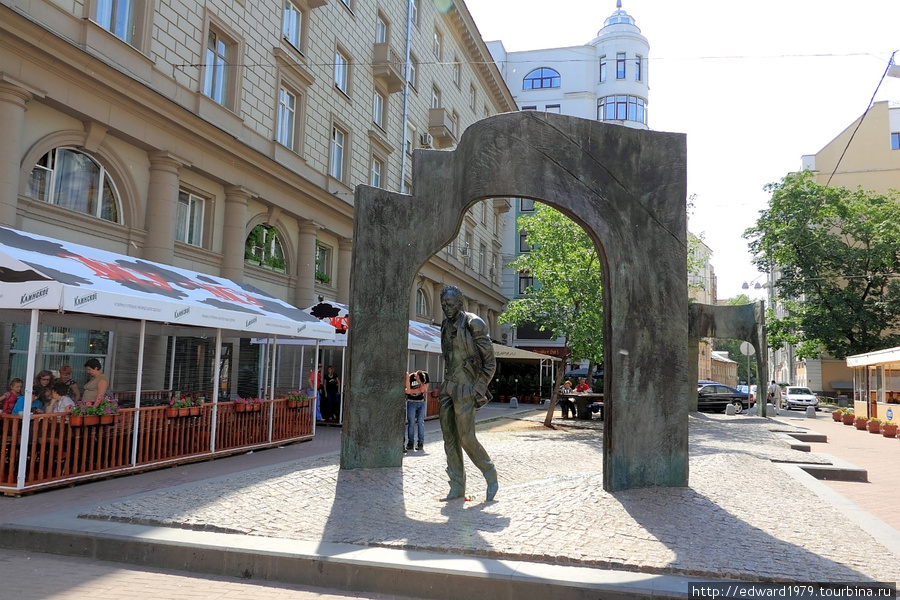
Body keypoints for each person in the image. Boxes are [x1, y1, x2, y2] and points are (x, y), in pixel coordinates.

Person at [438, 285, 498, 502]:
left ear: (460, 303)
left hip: (467, 388)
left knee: (466, 438)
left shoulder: (475, 324)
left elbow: (490, 363)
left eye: (450, 304)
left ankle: (490, 473)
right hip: (448, 387)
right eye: (443, 304)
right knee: (450, 439)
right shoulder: (445, 325)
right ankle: (456, 485)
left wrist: (477, 389)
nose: (446, 308)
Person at [405, 370, 429, 451]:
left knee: (420, 422)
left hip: (421, 403)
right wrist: (411, 391)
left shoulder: (425, 375)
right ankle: (410, 442)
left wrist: (413, 391)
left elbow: (423, 389)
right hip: (411, 403)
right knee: (411, 423)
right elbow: (407, 391)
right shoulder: (411, 377)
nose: (419, 382)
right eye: (418, 380)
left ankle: (420, 442)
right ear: (416, 377)